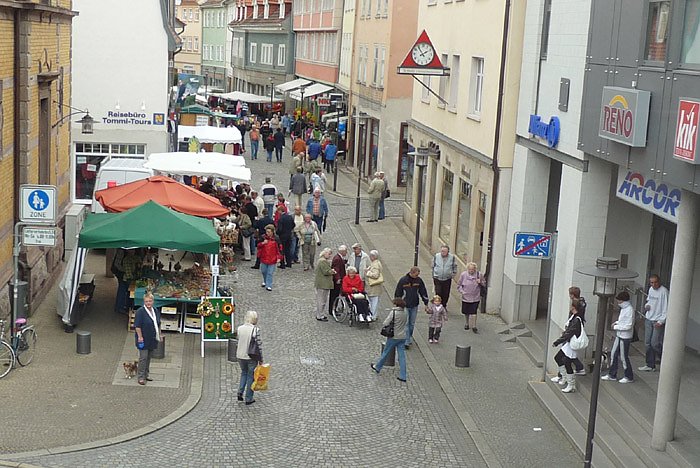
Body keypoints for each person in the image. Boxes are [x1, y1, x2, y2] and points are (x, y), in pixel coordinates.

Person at [551, 298, 586, 393]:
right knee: (558, 358)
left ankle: (571, 384)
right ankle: (565, 378)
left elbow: (569, 333)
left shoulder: (576, 320)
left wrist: (557, 342)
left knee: (567, 363)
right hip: (569, 343)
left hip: (572, 345)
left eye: (571, 305)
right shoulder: (575, 317)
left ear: (574, 307)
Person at [371, 298, 409, 382]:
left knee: (386, 352)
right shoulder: (405, 312)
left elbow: (385, 323)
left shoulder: (394, 312)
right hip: (402, 337)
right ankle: (403, 375)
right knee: (402, 356)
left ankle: (377, 367)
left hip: (393, 336)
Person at [602, 291, 635, 384]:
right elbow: (622, 321)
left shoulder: (629, 310)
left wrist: (616, 327)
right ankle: (612, 374)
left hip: (625, 337)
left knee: (624, 357)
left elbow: (628, 325)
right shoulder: (624, 309)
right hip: (619, 335)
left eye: (619, 301)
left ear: (622, 300)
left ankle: (629, 376)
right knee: (613, 354)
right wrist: (616, 323)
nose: (618, 302)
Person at [639, 274, 668, 372]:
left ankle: (664, 358)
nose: (654, 284)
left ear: (659, 281)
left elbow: (666, 307)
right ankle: (650, 364)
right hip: (649, 318)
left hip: (658, 320)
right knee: (647, 343)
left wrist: (661, 321)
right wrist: (647, 306)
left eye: (655, 282)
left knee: (655, 343)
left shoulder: (664, 292)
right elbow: (649, 301)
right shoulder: (651, 289)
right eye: (652, 282)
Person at [394, 266, 429, 348]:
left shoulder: (419, 281)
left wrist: (426, 303)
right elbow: (398, 293)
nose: (417, 276)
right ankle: (406, 341)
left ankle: (409, 337)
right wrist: (398, 303)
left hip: (414, 304)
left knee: (412, 323)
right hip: (405, 305)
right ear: (412, 273)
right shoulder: (403, 281)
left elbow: (423, 292)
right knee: (406, 323)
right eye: (416, 275)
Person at [134, 292, 161, 386]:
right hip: (143, 338)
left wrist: (159, 334)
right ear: (144, 302)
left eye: (150, 301)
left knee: (149, 357)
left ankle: (146, 374)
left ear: (153, 301)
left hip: (152, 338)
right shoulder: (140, 312)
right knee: (143, 357)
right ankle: (140, 377)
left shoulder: (155, 310)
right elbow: (137, 326)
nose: (148, 303)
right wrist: (140, 337)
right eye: (146, 301)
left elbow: (158, 323)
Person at [236, 310, 263, 405]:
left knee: (244, 373)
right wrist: (261, 359)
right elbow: (259, 345)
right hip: (251, 356)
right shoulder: (255, 330)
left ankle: (240, 392)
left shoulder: (239, 328)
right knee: (251, 376)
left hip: (240, 355)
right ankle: (248, 398)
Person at [457, 262, 484, 333]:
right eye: (470, 269)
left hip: (475, 297)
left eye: (472, 269)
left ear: (475, 269)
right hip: (466, 297)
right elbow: (459, 285)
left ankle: (474, 326)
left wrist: (480, 282)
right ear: (467, 269)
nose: (471, 271)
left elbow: (484, 283)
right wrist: (462, 292)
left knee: (474, 311)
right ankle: (467, 323)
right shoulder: (463, 275)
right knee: (466, 312)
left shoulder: (479, 274)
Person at [568, 287, 587, 375]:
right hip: (575, 328)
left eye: (570, 294)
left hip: (574, 329)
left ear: (573, 295)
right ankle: (579, 367)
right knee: (569, 352)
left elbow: (576, 317)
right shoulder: (581, 302)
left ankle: (580, 367)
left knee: (568, 352)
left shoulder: (577, 304)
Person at [432, 245, 457, 311]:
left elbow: (454, 266)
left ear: (448, 252)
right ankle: (438, 306)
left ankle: (444, 305)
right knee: (438, 292)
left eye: (444, 251)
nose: (443, 253)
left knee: (446, 293)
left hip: (447, 278)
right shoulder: (436, 256)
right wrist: (434, 274)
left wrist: (452, 274)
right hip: (437, 277)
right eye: (442, 251)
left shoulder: (452, 257)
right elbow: (433, 265)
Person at [257, 225, 281, 291]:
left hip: (272, 258)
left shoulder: (276, 238)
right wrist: (263, 243)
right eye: (267, 231)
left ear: (272, 232)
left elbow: (280, 248)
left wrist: (279, 257)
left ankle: (269, 285)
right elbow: (258, 245)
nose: (267, 233)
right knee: (264, 271)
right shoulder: (263, 237)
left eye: (269, 232)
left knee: (270, 273)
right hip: (264, 257)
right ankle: (265, 281)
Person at [314, 248, 336, 322]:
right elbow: (326, 271)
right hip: (323, 284)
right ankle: (320, 315)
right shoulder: (323, 261)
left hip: (322, 283)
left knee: (321, 300)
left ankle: (320, 314)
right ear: (325, 253)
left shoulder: (321, 260)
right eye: (329, 254)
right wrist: (332, 271)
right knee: (322, 300)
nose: (330, 256)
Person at [365, 250, 384, 321]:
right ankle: (373, 315)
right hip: (373, 287)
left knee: (374, 302)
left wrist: (368, 273)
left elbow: (376, 275)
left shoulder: (375, 265)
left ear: (373, 256)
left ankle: (373, 316)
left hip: (374, 287)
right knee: (373, 301)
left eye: (370, 256)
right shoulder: (375, 263)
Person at [330, 245, 349, 314]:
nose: (346, 253)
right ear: (342, 251)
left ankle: (333, 309)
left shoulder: (339, 257)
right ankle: (332, 310)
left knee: (335, 295)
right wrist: (338, 279)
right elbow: (336, 269)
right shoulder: (337, 259)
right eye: (345, 251)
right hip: (337, 281)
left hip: (338, 280)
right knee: (334, 295)